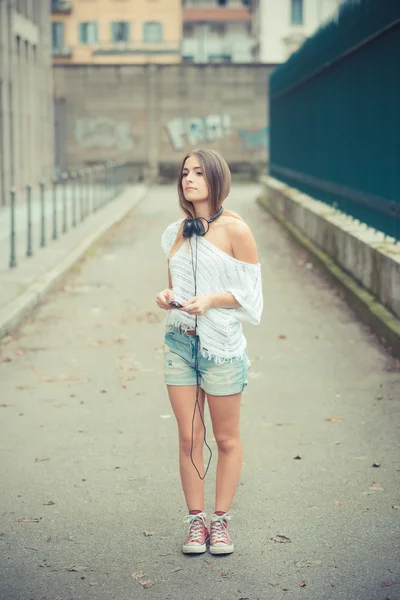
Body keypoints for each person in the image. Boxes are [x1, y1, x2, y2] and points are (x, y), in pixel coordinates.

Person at [156, 148, 263, 555]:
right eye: (185, 172)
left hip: (222, 348)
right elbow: (176, 286)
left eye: (198, 172)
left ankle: (220, 523)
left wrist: (213, 300)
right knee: (189, 435)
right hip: (179, 342)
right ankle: (195, 521)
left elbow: (251, 301)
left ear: (217, 178)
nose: (189, 179)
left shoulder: (237, 230)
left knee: (226, 437)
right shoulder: (176, 232)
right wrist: (167, 296)